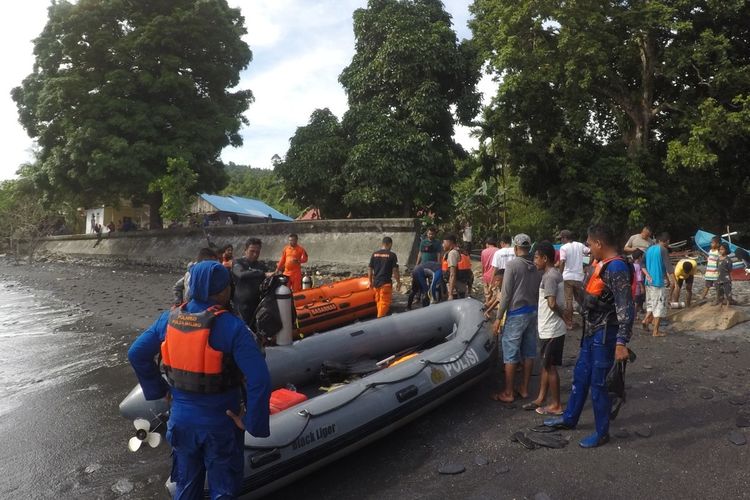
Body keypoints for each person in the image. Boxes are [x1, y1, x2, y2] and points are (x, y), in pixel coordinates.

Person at [128, 261, 271, 499]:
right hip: (221, 423)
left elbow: (137, 353)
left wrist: (160, 390)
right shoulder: (233, 327)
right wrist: (251, 422)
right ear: (224, 291)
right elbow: (260, 379)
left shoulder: (168, 319)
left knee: (186, 486)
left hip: (181, 420)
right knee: (223, 490)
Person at [543, 224, 634, 448]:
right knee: (581, 375)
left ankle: (602, 432)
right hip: (591, 330)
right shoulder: (600, 264)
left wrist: (621, 342)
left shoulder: (617, 268)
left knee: (599, 383)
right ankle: (570, 418)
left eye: (590, 243)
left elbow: (626, 308)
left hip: (605, 334)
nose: (588, 247)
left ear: (599, 244)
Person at [490, 233, 541, 404]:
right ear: (529, 247)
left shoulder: (512, 266)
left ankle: (508, 392)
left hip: (516, 313)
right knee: (528, 351)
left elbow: (505, 295)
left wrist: (498, 318)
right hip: (532, 311)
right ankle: (524, 389)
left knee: (510, 353)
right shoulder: (534, 266)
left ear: (515, 247)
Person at [526, 241, 566, 416]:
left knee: (549, 366)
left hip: (551, 328)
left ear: (545, 258)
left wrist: (563, 315)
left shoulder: (550, 276)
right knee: (545, 364)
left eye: (536, 257)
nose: (534, 261)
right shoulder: (552, 274)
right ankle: (541, 397)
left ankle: (556, 405)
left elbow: (551, 303)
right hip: (549, 327)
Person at [232, 238, 273, 327]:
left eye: (257, 252)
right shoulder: (238, 263)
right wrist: (263, 274)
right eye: (252, 251)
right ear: (245, 250)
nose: (255, 254)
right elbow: (241, 274)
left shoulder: (262, 266)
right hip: (241, 307)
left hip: (257, 307)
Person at [557, 229, 589, 330]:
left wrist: (559, 274)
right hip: (579, 277)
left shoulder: (564, 248)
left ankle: (569, 323)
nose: (561, 240)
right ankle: (587, 320)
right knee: (581, 300)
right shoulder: (580, 245)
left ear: (565, 238)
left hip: (567, 277)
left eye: (561, 238)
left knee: (569, 301)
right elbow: (590, 251)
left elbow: (562, 262)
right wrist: (589, 264)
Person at [642, 233, 672, 337]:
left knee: (651, 303)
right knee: (659, 305)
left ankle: (646, 320)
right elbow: (668, 268)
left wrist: (648, 276)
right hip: (658, 283)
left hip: (648, 282)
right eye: (668, 242)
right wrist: (673, 281)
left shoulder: (648, 249)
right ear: (665, 241)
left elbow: (643, 265)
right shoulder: (663, 250)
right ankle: (656, 331)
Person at [368, 236, 401, 317]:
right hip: (385, 284)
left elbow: (370, 269)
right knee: (384, 304)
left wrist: (370, 281)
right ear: (390, 244)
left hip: (376, 283)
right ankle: (380, 323)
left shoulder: (374, 254)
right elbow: (395, 270)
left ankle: (380, 320)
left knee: (379, 302)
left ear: (382, 243)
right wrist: (398, 282)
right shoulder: (392, 255)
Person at [441, 235, 468, 300]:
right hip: (461, 287)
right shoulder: (459, 250)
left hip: (455, 289)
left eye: (444, 243)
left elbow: (452, 274)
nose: (442, 245)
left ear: (449, 242)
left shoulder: (452, 253)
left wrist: (450, 294)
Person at [700, 236, 721, 301]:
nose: (711, 244)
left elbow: (719, 262)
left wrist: (719, 271)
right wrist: (705, 256)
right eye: (711, 243)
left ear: (717, 244)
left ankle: (718, 299)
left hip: (715, 273)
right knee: (707, 286)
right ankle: (702, 297)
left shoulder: (718, 252)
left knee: (717, 287)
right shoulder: (710, 251)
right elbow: (709, 259)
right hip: (709, 273)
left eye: (712, 243)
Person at [631, 249, 646, 315]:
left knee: (634, 300)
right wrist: (642, 287)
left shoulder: (632, 265)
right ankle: (634, 315)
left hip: (633, 286)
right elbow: (639, 278)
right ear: (640, 257)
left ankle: (635, 314)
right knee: (637, 301)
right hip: (638, 286)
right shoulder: (638, 266)